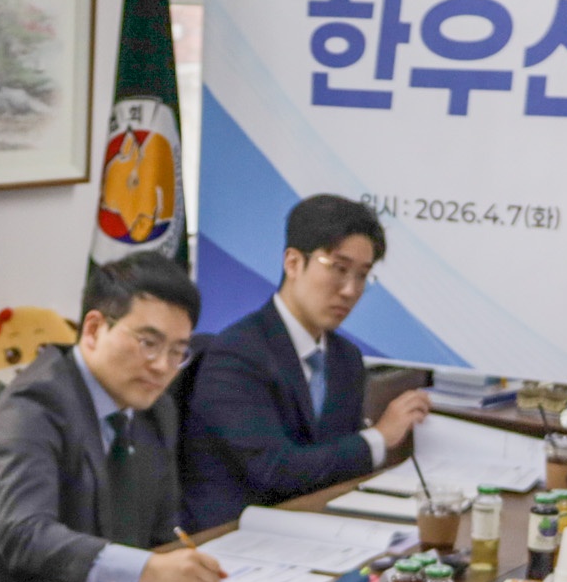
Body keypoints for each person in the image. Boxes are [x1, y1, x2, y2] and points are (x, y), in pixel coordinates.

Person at [0, 253, 224, 582]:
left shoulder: (157, 410)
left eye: (177, 351)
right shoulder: (31, 409)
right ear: (94, 329)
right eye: (148, 343)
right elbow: (27, 536)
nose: (162, 366)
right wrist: (148, 569)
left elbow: (163, 531)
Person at [176, 193, 432, 530]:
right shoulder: (237, 354)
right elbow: (275, 470)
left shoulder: (346, 359)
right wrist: (379, 438)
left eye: (362, 276)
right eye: (339, 269)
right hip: (233, 536)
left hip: (315, 530)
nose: (350, 290)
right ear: (293, 263)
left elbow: (336, 469)